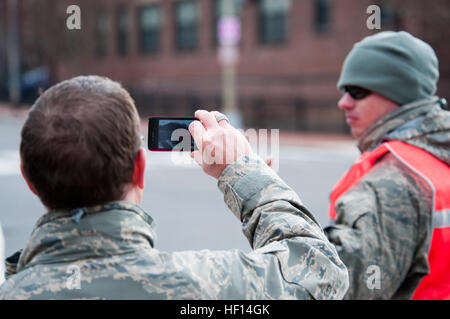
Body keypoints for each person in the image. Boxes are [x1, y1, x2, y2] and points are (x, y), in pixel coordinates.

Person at [0, 75, 348, 299]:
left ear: (29, 179)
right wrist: (243, 172)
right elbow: (321, 273)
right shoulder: (210, 288)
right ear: (139, 168)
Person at [324, 31, 450, 299]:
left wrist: (255, 189)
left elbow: (329, 286)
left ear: (399, 94)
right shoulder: (440, 154)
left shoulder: (393, 181)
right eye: (345, 91)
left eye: (357, 91)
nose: (343, 102)